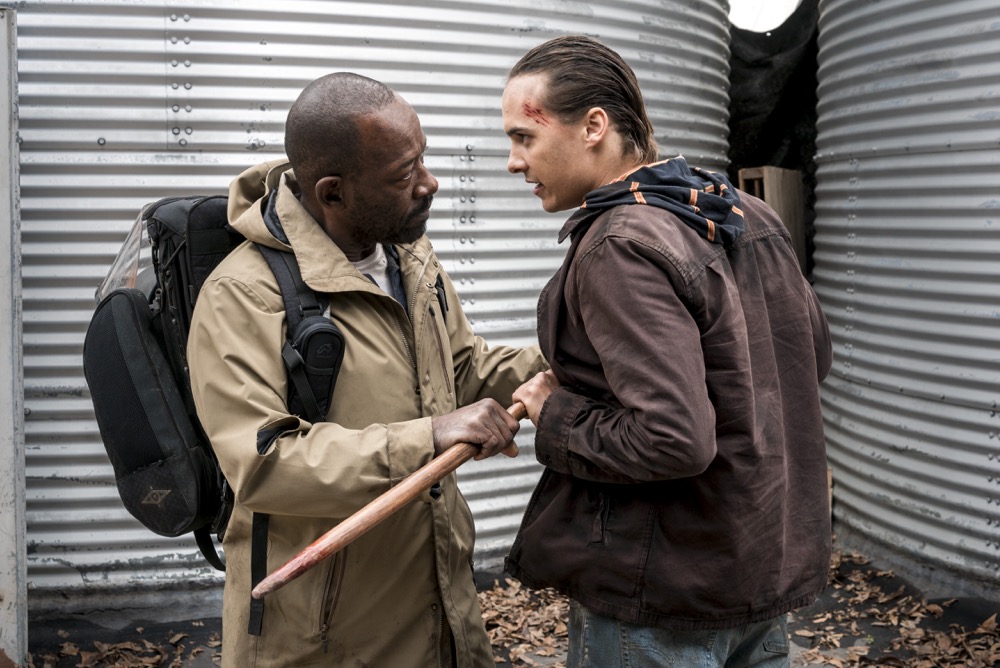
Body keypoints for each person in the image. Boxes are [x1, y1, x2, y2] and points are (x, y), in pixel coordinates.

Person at [187, 72, 547, 667]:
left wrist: (569, 358)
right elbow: (263, 464)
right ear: (333, 193)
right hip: (325, 641)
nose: (429, 184)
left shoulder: (408, 257)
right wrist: (429, 436)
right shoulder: (243, 296)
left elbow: (460, 368)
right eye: (404, 175)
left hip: (440, 618)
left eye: (423, 159)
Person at [503, 36, 833, 667]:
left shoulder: (618, 246)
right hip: (753, 576)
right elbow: (806, 364)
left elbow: (672, 438)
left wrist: (555, 415)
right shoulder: (746, 213)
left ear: (594, 126)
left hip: (663, 595)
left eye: (525, 137)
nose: (513, 161)